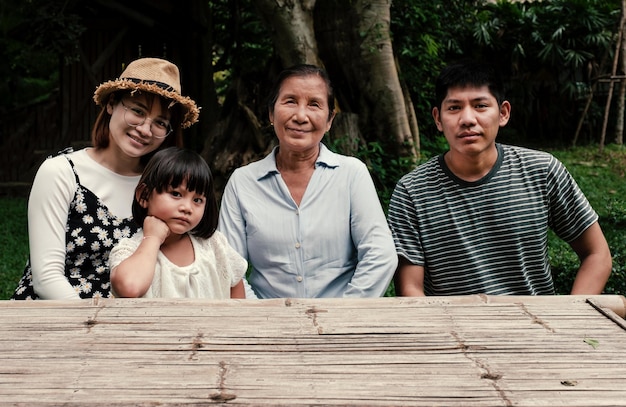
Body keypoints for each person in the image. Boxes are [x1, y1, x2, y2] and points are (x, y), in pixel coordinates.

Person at [388, 60, 612, 297]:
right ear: (438, 119)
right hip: (452, 330)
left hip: (538, 329)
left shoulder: (542, 171)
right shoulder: (412, 191)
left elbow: (597, 254)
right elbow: (410, 288)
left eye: (480, 106)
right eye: (454, 108)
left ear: (503, 113)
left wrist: (570, 318)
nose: (467, 119)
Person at [11, 57, 200, 300]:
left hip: (134, 321)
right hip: (58, 315)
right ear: (111, 104)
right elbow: (47, 279)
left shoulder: (164, 189)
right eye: (137, 111)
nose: (144, 129)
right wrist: (96, 329)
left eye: (160, 123)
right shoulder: (61, 171)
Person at [218, 64, 397, 298]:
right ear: (271, 113)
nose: (301, 116)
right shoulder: (243, 182)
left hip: (341, 324)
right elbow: (228, 266)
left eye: (314, 104)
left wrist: (342, 316)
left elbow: (380, 255)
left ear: (330, 119)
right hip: (266, 324)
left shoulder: (352, 174)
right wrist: (260, 318)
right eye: (290, 101)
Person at [108, 147, 246, 299]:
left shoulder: (214, 244)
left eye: (197, 200)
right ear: (144, 196)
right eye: (176, 194)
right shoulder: (130, 250)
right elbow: (130, 288)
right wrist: (152, 239)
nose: (187, 208)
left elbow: (235, 286)